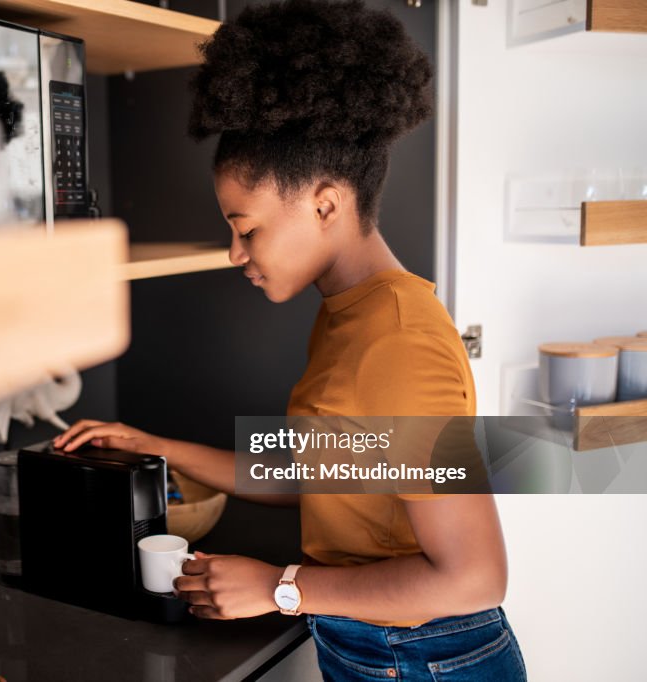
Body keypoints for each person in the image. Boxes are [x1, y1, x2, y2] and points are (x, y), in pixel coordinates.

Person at [55, 1, 527, 679]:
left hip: (430, 660)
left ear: (326, 204)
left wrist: (281, 585)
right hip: (385, 649)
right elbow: (320, 470)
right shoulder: (352, 313)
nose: (234, 252)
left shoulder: (397, 343)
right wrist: (152, 446)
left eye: (247, 229)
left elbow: (474, 577)